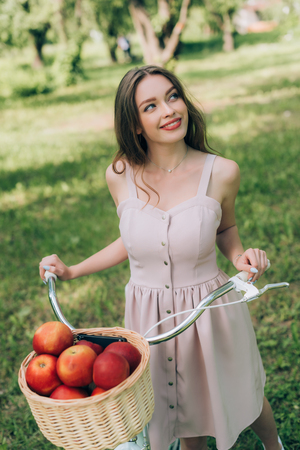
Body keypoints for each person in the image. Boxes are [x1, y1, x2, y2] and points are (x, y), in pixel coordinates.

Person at [39, 65, 284, 450]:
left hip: (208, 311)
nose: (169, 110)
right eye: (150, 106)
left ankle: (275, 445)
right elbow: (135, 240)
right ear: (135, 124)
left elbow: (225, 230)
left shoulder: (221, 172)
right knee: (178, 412)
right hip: (148, 315)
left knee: (240, 393)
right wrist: (72, 271)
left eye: (172, 97)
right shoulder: (119, 175)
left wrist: (240, 258)